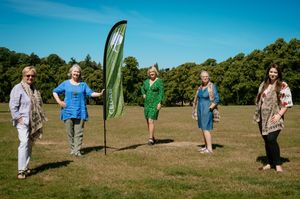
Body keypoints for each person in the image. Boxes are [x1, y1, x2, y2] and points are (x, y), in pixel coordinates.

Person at [53, 64, 104, 156]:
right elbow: (55, 91)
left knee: (79, 132)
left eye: (78, 71)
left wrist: (100, 94)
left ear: (80, 73)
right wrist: (59, 101)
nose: (76, 73)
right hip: (67, 111)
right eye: (74, 71)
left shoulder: (83, 85)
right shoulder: (65, 83)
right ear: (71, 72)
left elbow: (91, 93)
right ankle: (72, 149)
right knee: (70, 132)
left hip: (80, 111)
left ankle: (77, 150)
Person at [9, 66, 47, 179]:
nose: (30, 77)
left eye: (32, 76)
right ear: (23, 75)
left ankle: (25, 167)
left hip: (33, 121)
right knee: (24, 142)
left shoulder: (35, 89)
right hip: (22, 121)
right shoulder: (18, 88)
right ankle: (21, 170)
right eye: (28, 75)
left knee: (30, 144)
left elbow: (39, 104)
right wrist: (17, 117)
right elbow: (12, 105)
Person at [254, 63, 293, 172]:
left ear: (278, 73)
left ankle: (278, 164)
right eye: (271, 72)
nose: (273, 74)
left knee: (271, 139)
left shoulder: (283, 85)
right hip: (262, 117)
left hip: (275, 116)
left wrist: (279, 115)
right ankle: (269, 163)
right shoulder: (263, 84)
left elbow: (287, 103)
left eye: (275, 72)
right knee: (266, 140)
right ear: (268, 72)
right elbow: (259, 100)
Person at [192, 71, 220, 154]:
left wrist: (210, 108)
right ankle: (206, 146)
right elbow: (197, 98)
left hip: (207, 109)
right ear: (200, 78)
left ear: (209, 77)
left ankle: (210, 149)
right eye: (203, 76)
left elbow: (217, 99)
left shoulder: (212, 86)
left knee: (206, 128)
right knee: (202, 128)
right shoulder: (200, 87)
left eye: (207, 76)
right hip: (200, 109)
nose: (205, 78)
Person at [141, 65, 164, 145]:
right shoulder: (146, 82)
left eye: (153, 72)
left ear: (155, 72)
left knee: (151, 120)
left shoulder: (159, 81)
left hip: (155, 103)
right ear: (148, 73)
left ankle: (150, 139)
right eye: (150, 72)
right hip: (147, 103)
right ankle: (153, 137)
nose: (151, 73)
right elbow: (142, 88)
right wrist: (143, 94)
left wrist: (160, 102)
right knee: (148, 121)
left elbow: (161, 92)